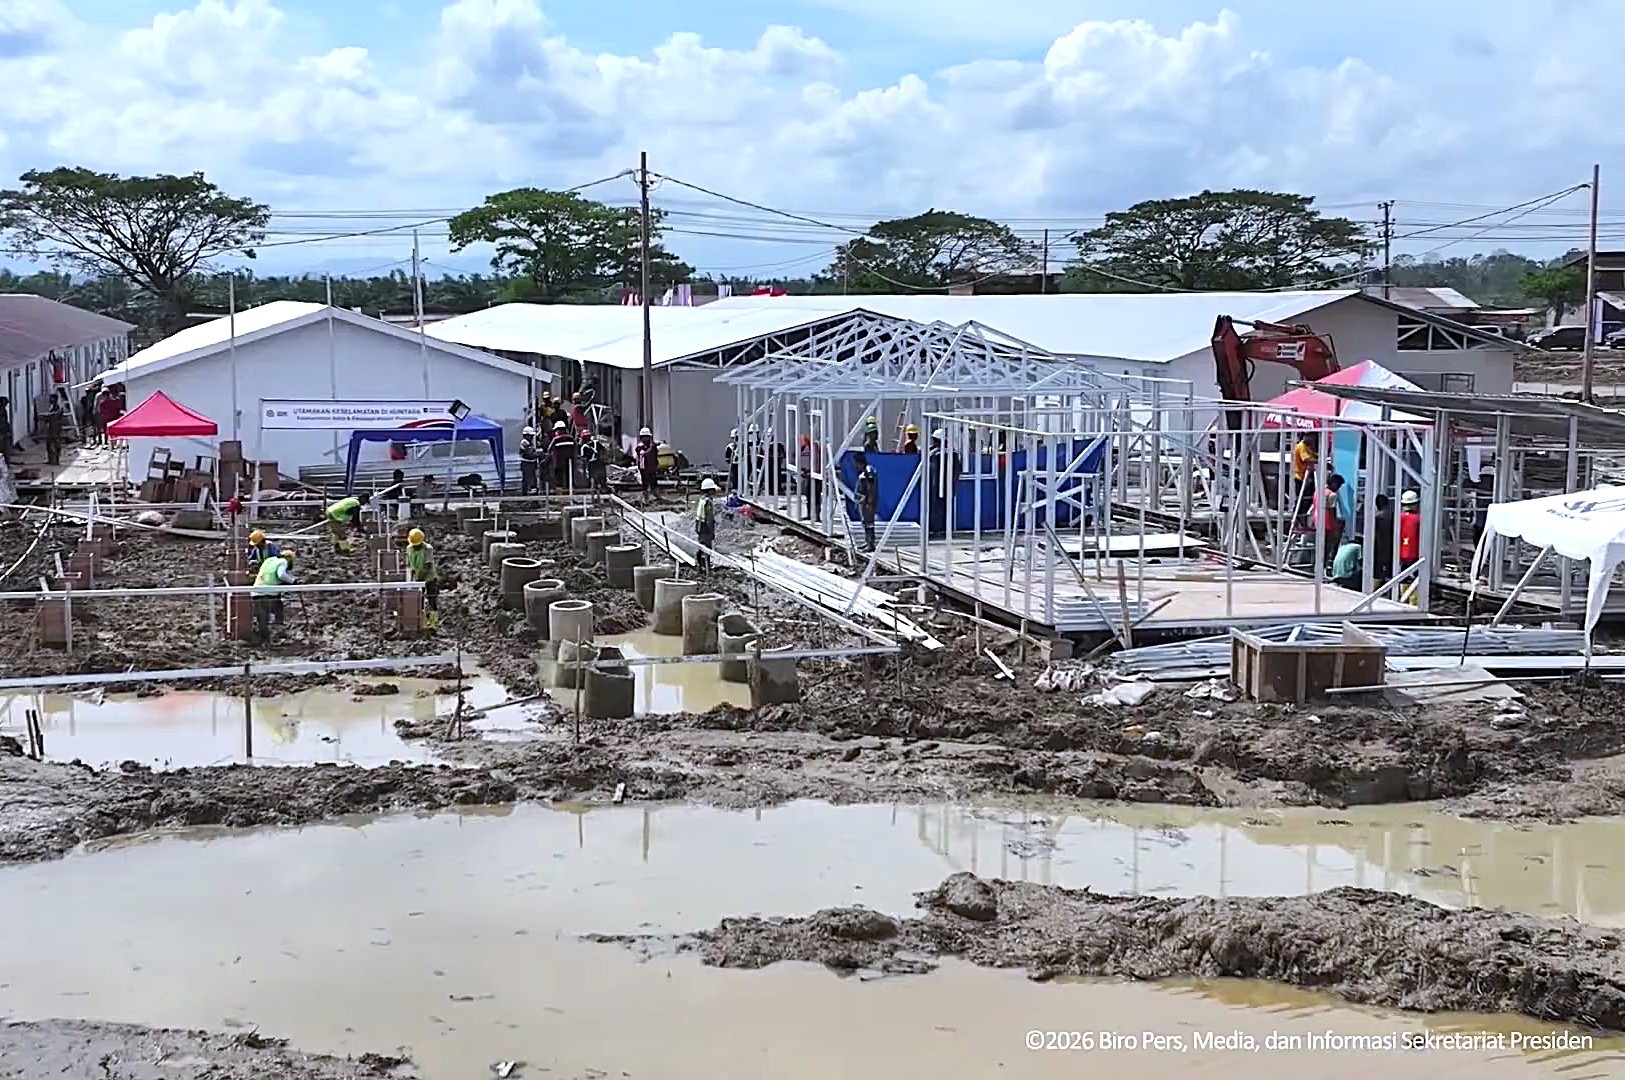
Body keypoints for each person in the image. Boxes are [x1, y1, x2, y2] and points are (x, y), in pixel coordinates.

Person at [252, 548, 295, 644]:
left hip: (256, 592)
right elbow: (281, 575)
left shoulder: (269, 560)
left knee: (262, 619)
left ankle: (264, 640)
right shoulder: (283, 562)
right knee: (278, 612)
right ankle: (277, 633)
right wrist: (292, 581)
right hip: (269, 593)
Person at [405, 527, 440, 632]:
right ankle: (421, 621)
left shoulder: (427, 549)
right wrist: (410, 580)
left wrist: (420, 578)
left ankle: (433, 623)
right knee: (418, 601)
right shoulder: (409, 548)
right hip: (416, 579)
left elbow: (427, 565)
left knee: (431, 600)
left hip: (428, 578)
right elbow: (408, 564)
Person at [853, 449, 879, 552]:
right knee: (865, 522)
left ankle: (871, 544)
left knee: (869, 523)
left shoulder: (868, 472)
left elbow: (871, 488)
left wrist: (870, 502)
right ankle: (867, 541)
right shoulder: (863, 473)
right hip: (863, 501)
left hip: (867, 502)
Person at [1317, 473, 1346, 559]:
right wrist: (1336, 525)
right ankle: (1329, 561)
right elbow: (1332, 511)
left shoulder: (1320, 492)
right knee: (1329, 545)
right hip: (1328, 524)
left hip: (1318, 521)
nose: (1339, 488)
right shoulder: (1333, 495)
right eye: (1339, 485)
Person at [693, 477, 718, 573]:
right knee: (707, 548)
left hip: (699, 526)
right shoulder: (708, 502)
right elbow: (709, 519)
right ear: (710, 490)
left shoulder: (702, 500)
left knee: (701, 545)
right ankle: (706, 567)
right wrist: (711, 531)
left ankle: (700, 563)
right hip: (705, 528)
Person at [797, 433, 822, 519]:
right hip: (807, 475)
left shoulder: (814, 448)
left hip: (815, 475)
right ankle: (809, 514)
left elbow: (816, 462)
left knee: (816, 496)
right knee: (808, 496)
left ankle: (817, 516)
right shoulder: (803, 449)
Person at [547, 419, 577, 490]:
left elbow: (549, 449)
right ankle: (570, 488)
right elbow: (576, 448)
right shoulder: (571, 438)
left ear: (557, 430)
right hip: (570, 462)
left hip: (558, 463)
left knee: (559, 478)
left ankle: (560, 491)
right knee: (569, 476)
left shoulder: (555, 439)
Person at [1372, 494, 1395, 581]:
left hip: (1379, 544)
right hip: (1392, 545)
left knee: (1378, 570)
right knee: (1390, 569)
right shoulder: (1393, 515)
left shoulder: (1378, 517)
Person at [1399, 489, 1422, 573]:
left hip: (1401, 553)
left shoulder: (1399, 518)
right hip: (1415, 554)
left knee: (1402, 576)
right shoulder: (1418, 518)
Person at [634, 426, 659, 498]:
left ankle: (656, 496)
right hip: (644, 468)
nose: (646, 438)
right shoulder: (640, 447)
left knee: (654, 482)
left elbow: (655, 455)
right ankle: (646, 498)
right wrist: (651, 447)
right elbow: (644, 454)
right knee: (645, 483)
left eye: (647, 437)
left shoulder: (652, 446)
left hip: (652, 467)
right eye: (644, 437)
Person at [518, 425, 541, 496]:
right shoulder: (524, 443)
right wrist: (538, 454)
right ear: (526, 435)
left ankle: (532, 493)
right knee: (529, 480)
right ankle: (527, 494)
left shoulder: (530, 443)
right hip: (527, 464)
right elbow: (530, 453)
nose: (532, 437)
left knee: (532, 479)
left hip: (531, 464)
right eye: (530, 435)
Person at [42, 393, 64, 466]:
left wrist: (46, 416)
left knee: (56, 444)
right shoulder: (52, 407)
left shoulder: (58, 408)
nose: (50, 400)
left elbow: (55, 416)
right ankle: (51, 460)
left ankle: (57, 460)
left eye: (52, 399)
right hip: (51, 428)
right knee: (49, 445)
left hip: (56, 429)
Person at [0, 396, 11, 462]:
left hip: (4, 431)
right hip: (2, 431)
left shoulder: (4, 410)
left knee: (5, 448)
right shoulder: (2, 410)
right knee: (4, 448)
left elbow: (5, 421)